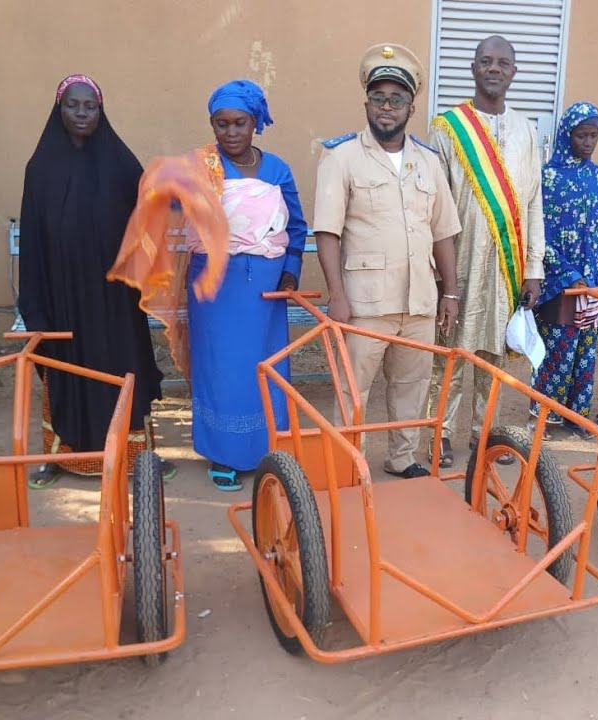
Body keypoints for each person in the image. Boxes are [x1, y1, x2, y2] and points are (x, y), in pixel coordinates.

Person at [17, 73, 175, 489]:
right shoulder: (40, 169)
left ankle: (138, 457)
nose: (82, 112)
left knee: (122, 368)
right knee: (65, 369)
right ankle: (60, 456)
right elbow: (32, 239)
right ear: (59, 110)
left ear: (101, 111)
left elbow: (147, 214)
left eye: (91, 106)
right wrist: (34, 305)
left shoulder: (121, 163)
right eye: (73, 105)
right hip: (61, 293)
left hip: (114, 298)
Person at [312, 43, 461, 478]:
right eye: (379, 98)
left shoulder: (429, 162)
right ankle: (343, 461)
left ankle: (402, 457)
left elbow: (444, 232)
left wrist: (448, 291)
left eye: (397, 99)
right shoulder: (341, 158)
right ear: (367, 103)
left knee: (412, 385)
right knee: (352, 387)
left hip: (419, 299)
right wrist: (336, 295)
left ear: (411, 108)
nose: (387, 107)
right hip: (365, 302)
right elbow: (327, 231)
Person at [424, 35, 546, 468]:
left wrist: (533, 268)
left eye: (503, 63)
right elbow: (434, 203)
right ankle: (439, 433)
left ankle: (485, 434)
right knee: (451, 352)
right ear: (473, 68)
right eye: (486, 61)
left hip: (507, 266)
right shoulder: (447, 128)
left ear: (514, 72)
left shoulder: (528, 131)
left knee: (494, 354)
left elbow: (533, 203)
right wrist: (440, 274)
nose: (494, 69)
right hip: (458, 260)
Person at [185, 79, 308, 491]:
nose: (231, 133)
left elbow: (296, 224)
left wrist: (292, 268)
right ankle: (223, 453)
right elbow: (171, 202)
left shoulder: (277, 169)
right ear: (212, 125)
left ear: (255, 123)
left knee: (265, 364)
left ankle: (269, 446)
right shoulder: (203, 166)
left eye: (240, 123)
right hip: (215, 287)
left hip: (267, 290)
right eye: (222, 124)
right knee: (222, 365)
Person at [529, 101, 598, 441]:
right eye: (581, 135)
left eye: (593, 136)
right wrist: (567, 273)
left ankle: (576, 415)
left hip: (591, 280)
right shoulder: (548, 176)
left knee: (585, 348)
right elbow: (540, 231)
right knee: (557, 349)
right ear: (567, 135)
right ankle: (545, 415)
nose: (587, 142)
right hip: (561, 282)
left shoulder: (594, 174)